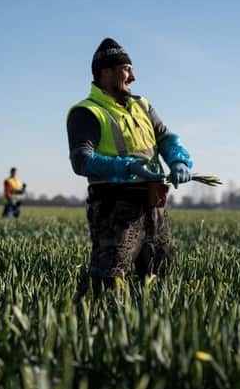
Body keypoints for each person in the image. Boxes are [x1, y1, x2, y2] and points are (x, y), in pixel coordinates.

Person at [66, 38, 194, 298]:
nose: (133, 76)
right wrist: (129, 167)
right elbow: (82, 161)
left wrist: (179, 160)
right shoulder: (87, 112)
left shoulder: (142, 105)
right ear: (106, 72)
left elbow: (167, 138)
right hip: (115, 208)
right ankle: (88, 330)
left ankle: (149, 329)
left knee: (160, 274)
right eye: (126, 69)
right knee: (107, 280)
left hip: (154, 203)